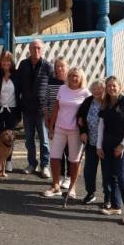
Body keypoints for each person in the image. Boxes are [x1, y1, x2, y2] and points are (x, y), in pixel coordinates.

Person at [44, 67, 90, 199]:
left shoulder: (85, 93)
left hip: (75, 131)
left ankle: (72, 188)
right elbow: (57, 107)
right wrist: (51, 127)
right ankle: (55, 185)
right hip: (60, 128)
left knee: (74, 161)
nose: (73, 78)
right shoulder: (62, 89)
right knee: (54, 157)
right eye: (71, 76)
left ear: (81, 78)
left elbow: (89, 110)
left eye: (76, 76)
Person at [97, 76, 124, 225]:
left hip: (121, 144)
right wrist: (99, 146)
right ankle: (115, 206)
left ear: (119, 87)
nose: (111, 88)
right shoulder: (105, 102)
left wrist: (122, 145)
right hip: (106, 144)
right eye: (109, 86)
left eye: (114, 86)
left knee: (121, 177)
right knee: (110, 176)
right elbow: (101, 125)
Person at [15, 40, 54, 177]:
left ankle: (45, 166)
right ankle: (32, 164)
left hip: (42, 111)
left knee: (44, 141)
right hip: (27, 110)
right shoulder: (23, 65)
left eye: (38, 48)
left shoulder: (48, 66)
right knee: (29, 140)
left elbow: (52, 89)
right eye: (33, 48)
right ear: (29, 50)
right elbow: (18, 86)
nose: (36, 51)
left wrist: (49, 110)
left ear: (42, 50)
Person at [77, 80, 109, 205]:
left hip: (105, 144)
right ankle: (90, 193)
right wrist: (83, 132)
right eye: (94, 89)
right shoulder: (88, 101)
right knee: (89, 170)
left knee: (107, 171)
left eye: (99, 89)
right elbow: (80, 118)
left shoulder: (109, 102)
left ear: (104, 90)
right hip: (91, 142)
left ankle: (108, 197)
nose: (96, 91)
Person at [46, 56, 70, 187]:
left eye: (62, 66)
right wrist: (47, 119)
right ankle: (61, 175)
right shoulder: (51, 81)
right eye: (57, 66)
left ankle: (69, 177)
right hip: (54, 122)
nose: (60, 68)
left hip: (68, 122)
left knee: (69, 151)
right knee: (58, 151)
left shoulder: (71, 82)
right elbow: (47, 101)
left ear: (67, 67)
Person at [0, 51, 20, 173]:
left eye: (8, 61)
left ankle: (8, 160)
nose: (5, 63)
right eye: (3, 60)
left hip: (12, 109)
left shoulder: (16, 75)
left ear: (11, 63)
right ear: (0, 62)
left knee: (10, 137)